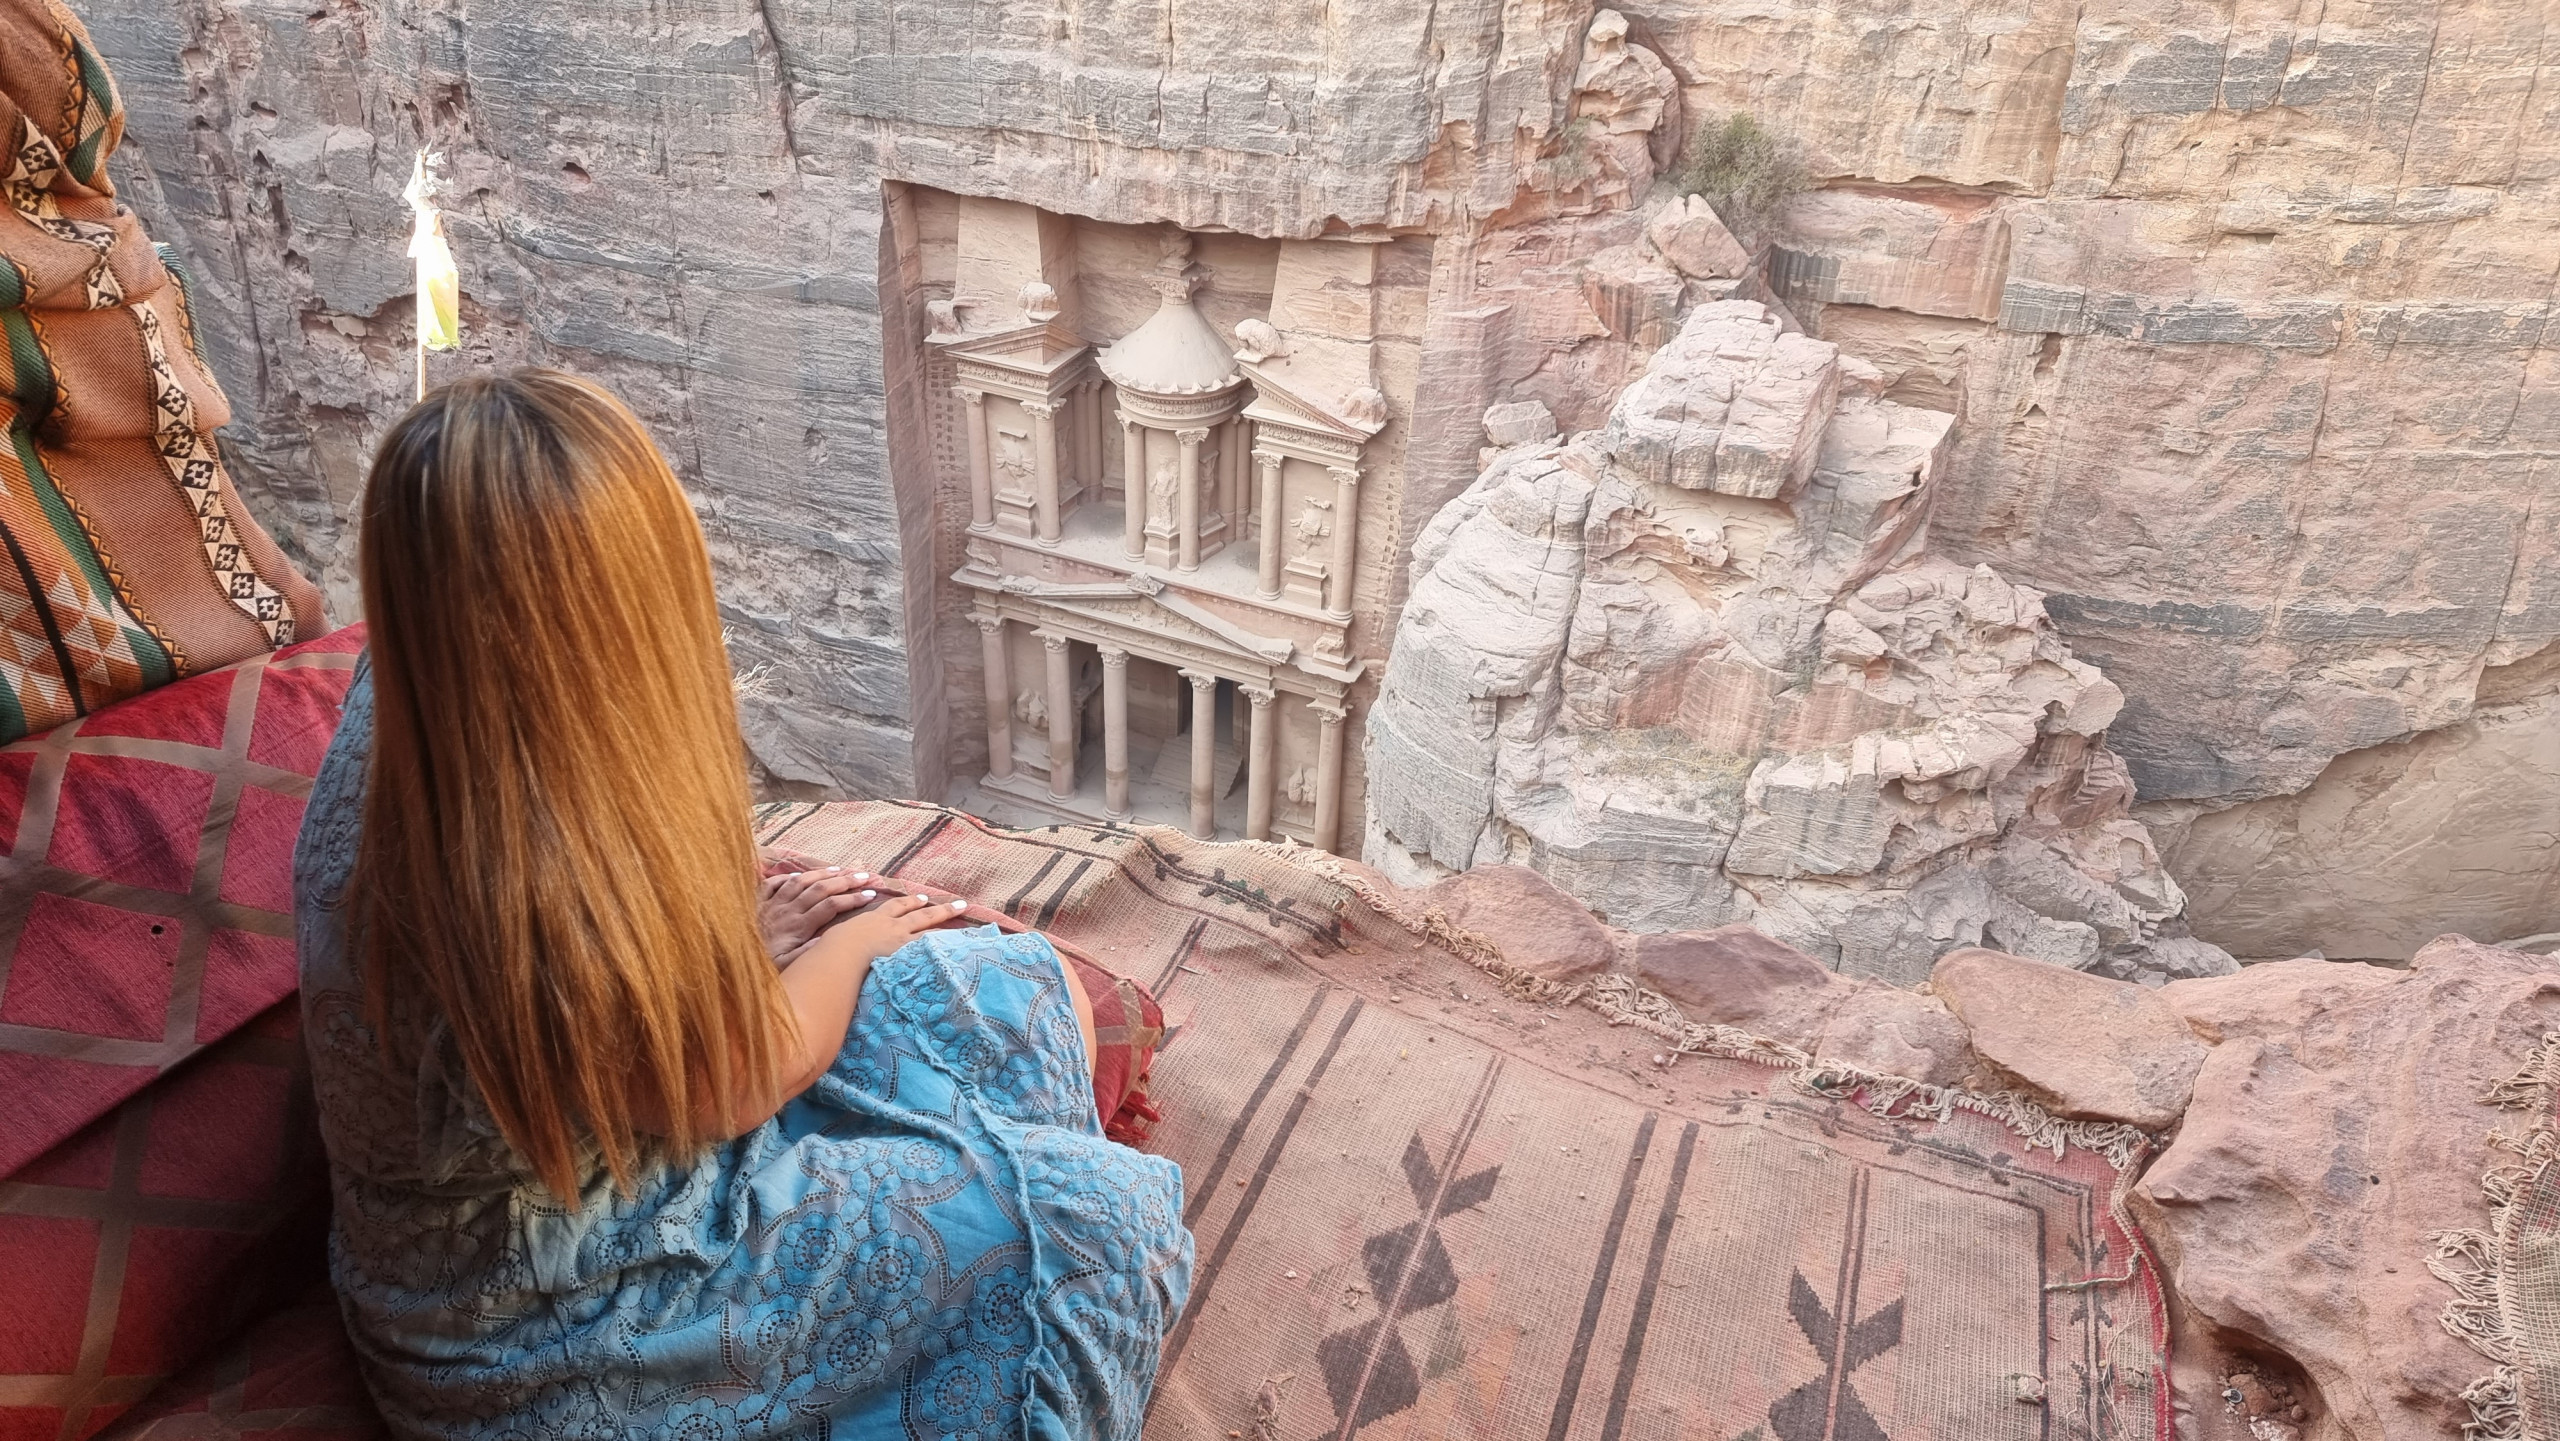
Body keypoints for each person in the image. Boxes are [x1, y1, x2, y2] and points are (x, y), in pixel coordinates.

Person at [293, 369, 1190, 1441]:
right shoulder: (529, 898)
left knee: (994, 984)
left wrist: (740, 946)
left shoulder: (410, 724)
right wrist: (846, 944)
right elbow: (729, 1079)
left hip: (585, 1166)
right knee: (1096, 1220)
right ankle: (1002, 1289)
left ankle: (981, 1277)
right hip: (553, 1321)